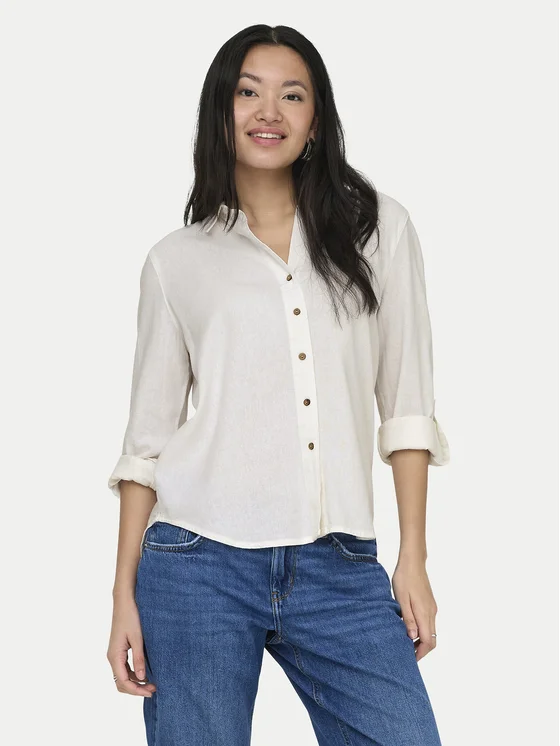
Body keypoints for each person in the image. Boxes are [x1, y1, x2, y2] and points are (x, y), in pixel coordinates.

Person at [106, 23, 450, 746]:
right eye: (248, 92)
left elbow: (407, 405)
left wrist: (413, 556)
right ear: (220, 110)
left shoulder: (380, 230)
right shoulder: (176, 261)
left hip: (340, 563)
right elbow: (148, 443)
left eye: (292, 95)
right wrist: (121, 595)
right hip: (195, 564)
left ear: (316, 119)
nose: (269, 112)